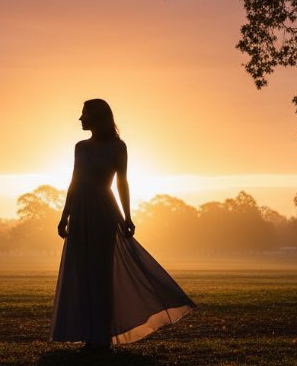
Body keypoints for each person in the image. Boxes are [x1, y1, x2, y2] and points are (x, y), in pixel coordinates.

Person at [50, 98, 194, 349]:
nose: (80, 118)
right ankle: (89, 335)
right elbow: (74, 182)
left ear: (96, 117)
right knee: (82, 273)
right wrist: (65, 215)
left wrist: (128, 216)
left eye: (84, 113)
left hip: (104, 212)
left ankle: (101, 338)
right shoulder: (80, 147)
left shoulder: (118, 147)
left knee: (102, 275)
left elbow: (122, 183)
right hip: (81, 213)